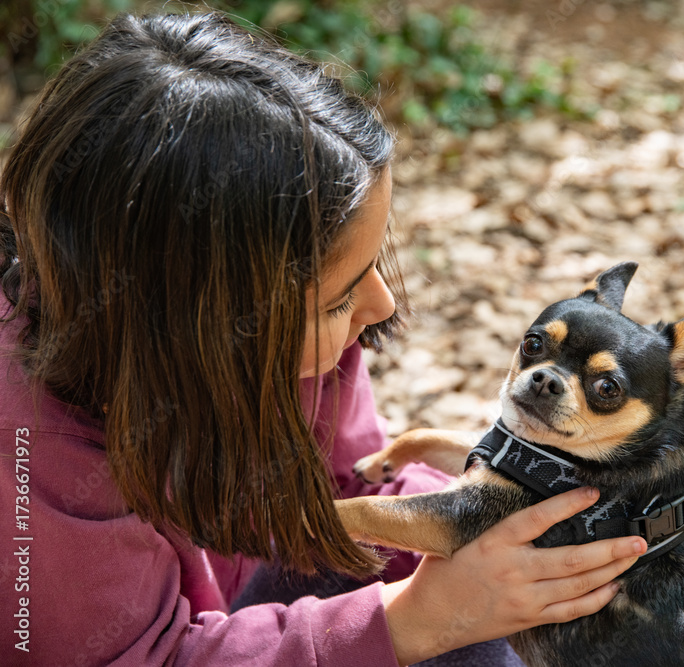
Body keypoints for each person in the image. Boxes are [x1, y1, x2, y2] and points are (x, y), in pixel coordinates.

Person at [0, 12, 645, 666]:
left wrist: (493, 518)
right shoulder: (30, 461)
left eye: (372, 264)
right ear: (198, 327)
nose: (381, 304)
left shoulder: (291, 343)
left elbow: (348, 489)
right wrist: (415, 620)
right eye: (340, 297)